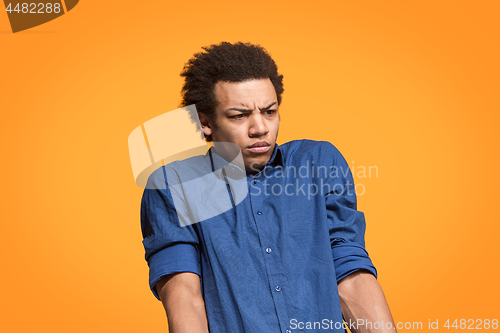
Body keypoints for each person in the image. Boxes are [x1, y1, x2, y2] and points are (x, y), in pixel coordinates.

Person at [140, 41, 397, 333]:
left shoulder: (318, 162)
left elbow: (351, 275)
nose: (260, 127)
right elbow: (184, 298)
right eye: (239, 115)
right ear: (205, 122)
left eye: (269, 111)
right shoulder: (172, 187)